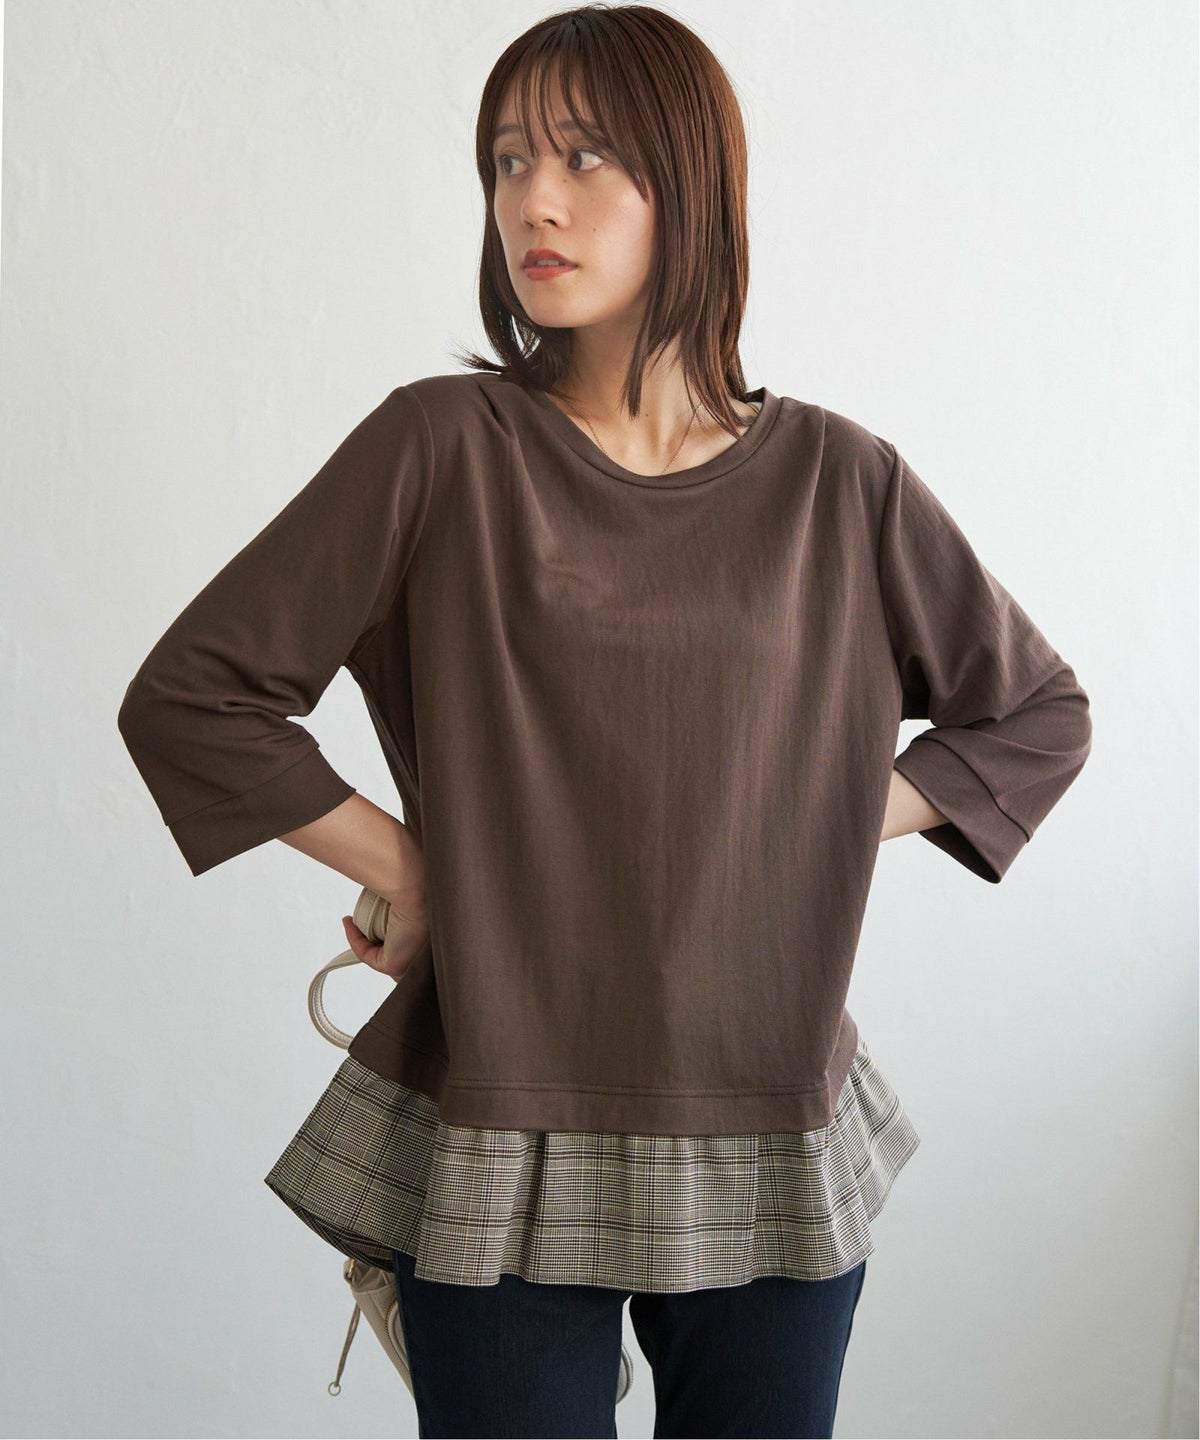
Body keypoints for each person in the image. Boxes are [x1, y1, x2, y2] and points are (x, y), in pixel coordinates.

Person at [117, 5, 1093, 1437]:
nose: (534, 200)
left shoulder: (840, 481)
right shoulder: (440, 449)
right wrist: (415, 869)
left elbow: (1038, 715)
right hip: (500, 1116)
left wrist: (824, 811)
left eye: (584, 157)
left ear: (689, 186)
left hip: (767, 1120)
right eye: (508, 160)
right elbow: (194, 699)